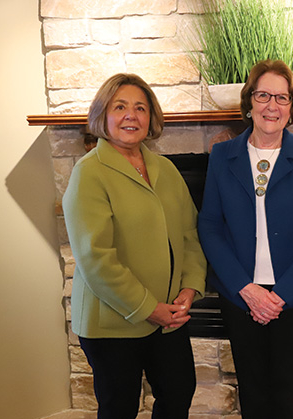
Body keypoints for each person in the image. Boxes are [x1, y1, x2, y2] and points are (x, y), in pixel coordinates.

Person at [198, 59, 293, 419]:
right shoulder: (222, 157)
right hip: (240, 294)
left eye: (282, 97)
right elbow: (210, 227)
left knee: (289, 395)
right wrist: (247, 288)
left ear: (292, 109)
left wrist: (279, 296)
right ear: (249, 102)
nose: (272, 106)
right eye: (263, 95)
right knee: (253, 393)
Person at [62, 73, 207, 419]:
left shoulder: (166, 169)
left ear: (151, 118)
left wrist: (190, 288)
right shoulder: (89, 173)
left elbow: (190, 234)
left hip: (168, 317)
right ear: (103, 115)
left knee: (178, 393)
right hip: (112, 321)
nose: (132, 115)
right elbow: (96, 259)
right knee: (119, 409)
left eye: (140, 108)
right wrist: (148, 307)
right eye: (121, 107)